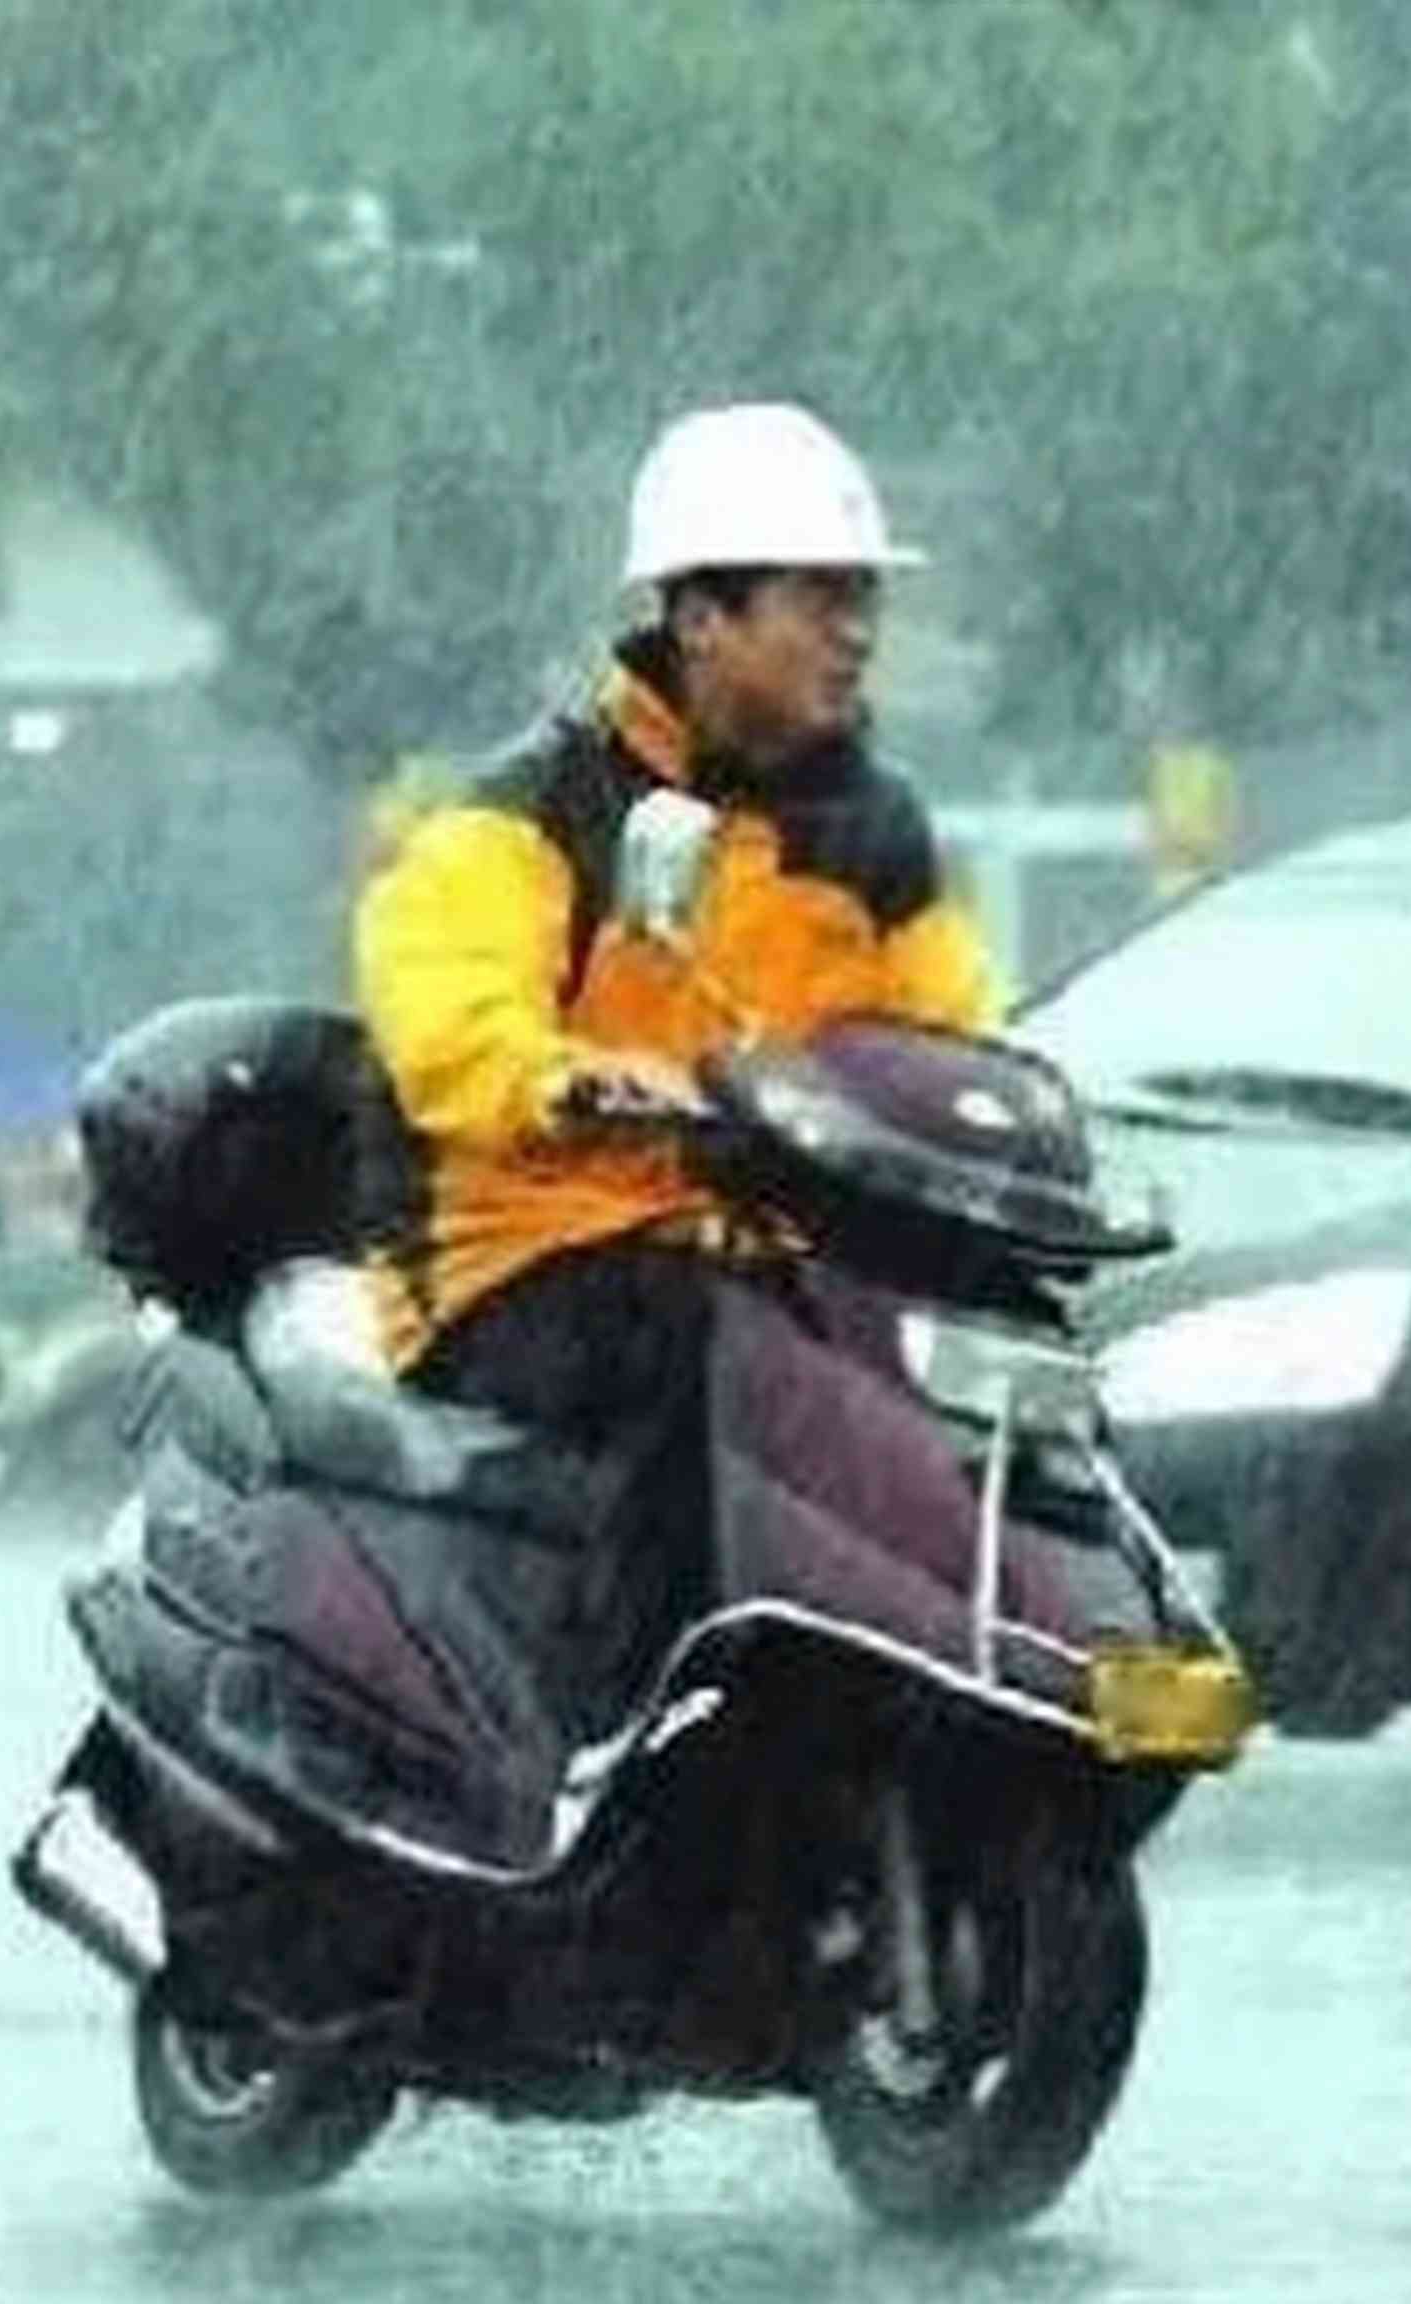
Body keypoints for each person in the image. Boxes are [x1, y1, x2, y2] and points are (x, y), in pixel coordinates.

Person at [352, 399, 1064, 1741]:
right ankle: (616, 1723)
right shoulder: (527, 815)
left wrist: (1019, 1134)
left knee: (997, 1359)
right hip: (531, 1261)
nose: (858, 633)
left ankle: (1013, 1684)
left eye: (866, 600)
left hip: (773, 1249)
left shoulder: (874, 835)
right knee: (689, 1341)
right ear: (699, 618)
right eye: (820, 599)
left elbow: (956, 1033)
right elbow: (451, 1022)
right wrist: (571, 1082)